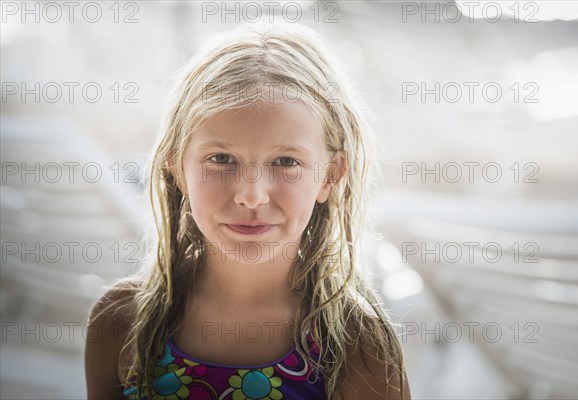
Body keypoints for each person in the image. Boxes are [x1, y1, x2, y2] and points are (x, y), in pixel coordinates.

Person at [85, 20, 411, 400]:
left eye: (286, 161)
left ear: (330, 175)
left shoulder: (356, 347)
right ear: (177, 169)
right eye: (221, 158)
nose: (252, 195)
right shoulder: (121, 322)